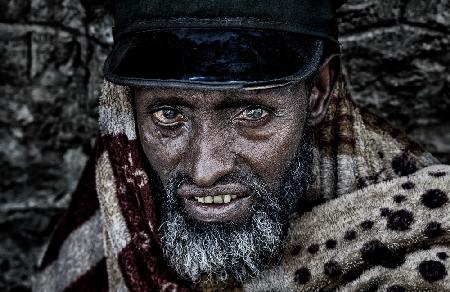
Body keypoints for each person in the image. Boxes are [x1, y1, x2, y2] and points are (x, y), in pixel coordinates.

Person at [34, 0, 450, 291]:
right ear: (129, 110)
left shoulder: (424, 251)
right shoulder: (114, 210)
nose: (205, 169)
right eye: (167, 115)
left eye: (252, 114)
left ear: (319, 93)